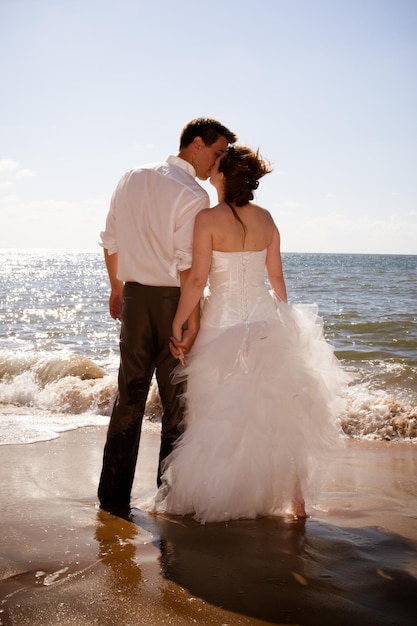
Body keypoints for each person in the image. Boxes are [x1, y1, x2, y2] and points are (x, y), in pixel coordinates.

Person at [153, 145, 346, 524]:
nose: (211, 170)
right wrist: (286, 317)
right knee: (271, 409)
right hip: (263, 320)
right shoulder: (267, 218)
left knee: (216, 411)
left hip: (221, 324)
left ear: (224, 176)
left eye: (217, 167)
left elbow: (196, 280)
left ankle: (214, 494)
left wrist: (178, 321)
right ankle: (295, 501)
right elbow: (275, 277)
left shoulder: (208, 219)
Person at [97, 118, 237, 516]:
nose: (219, 161)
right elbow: (185, 265)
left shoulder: (130, 177)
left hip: (136, 299)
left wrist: (117, 288)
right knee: (176, 405)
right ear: (196, 145)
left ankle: (112, 498)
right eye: (217, 151)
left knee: (129, 398)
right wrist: (189, 322)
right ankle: (168, 498)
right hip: (173, 302)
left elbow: (109, 239)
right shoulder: (193, 194)